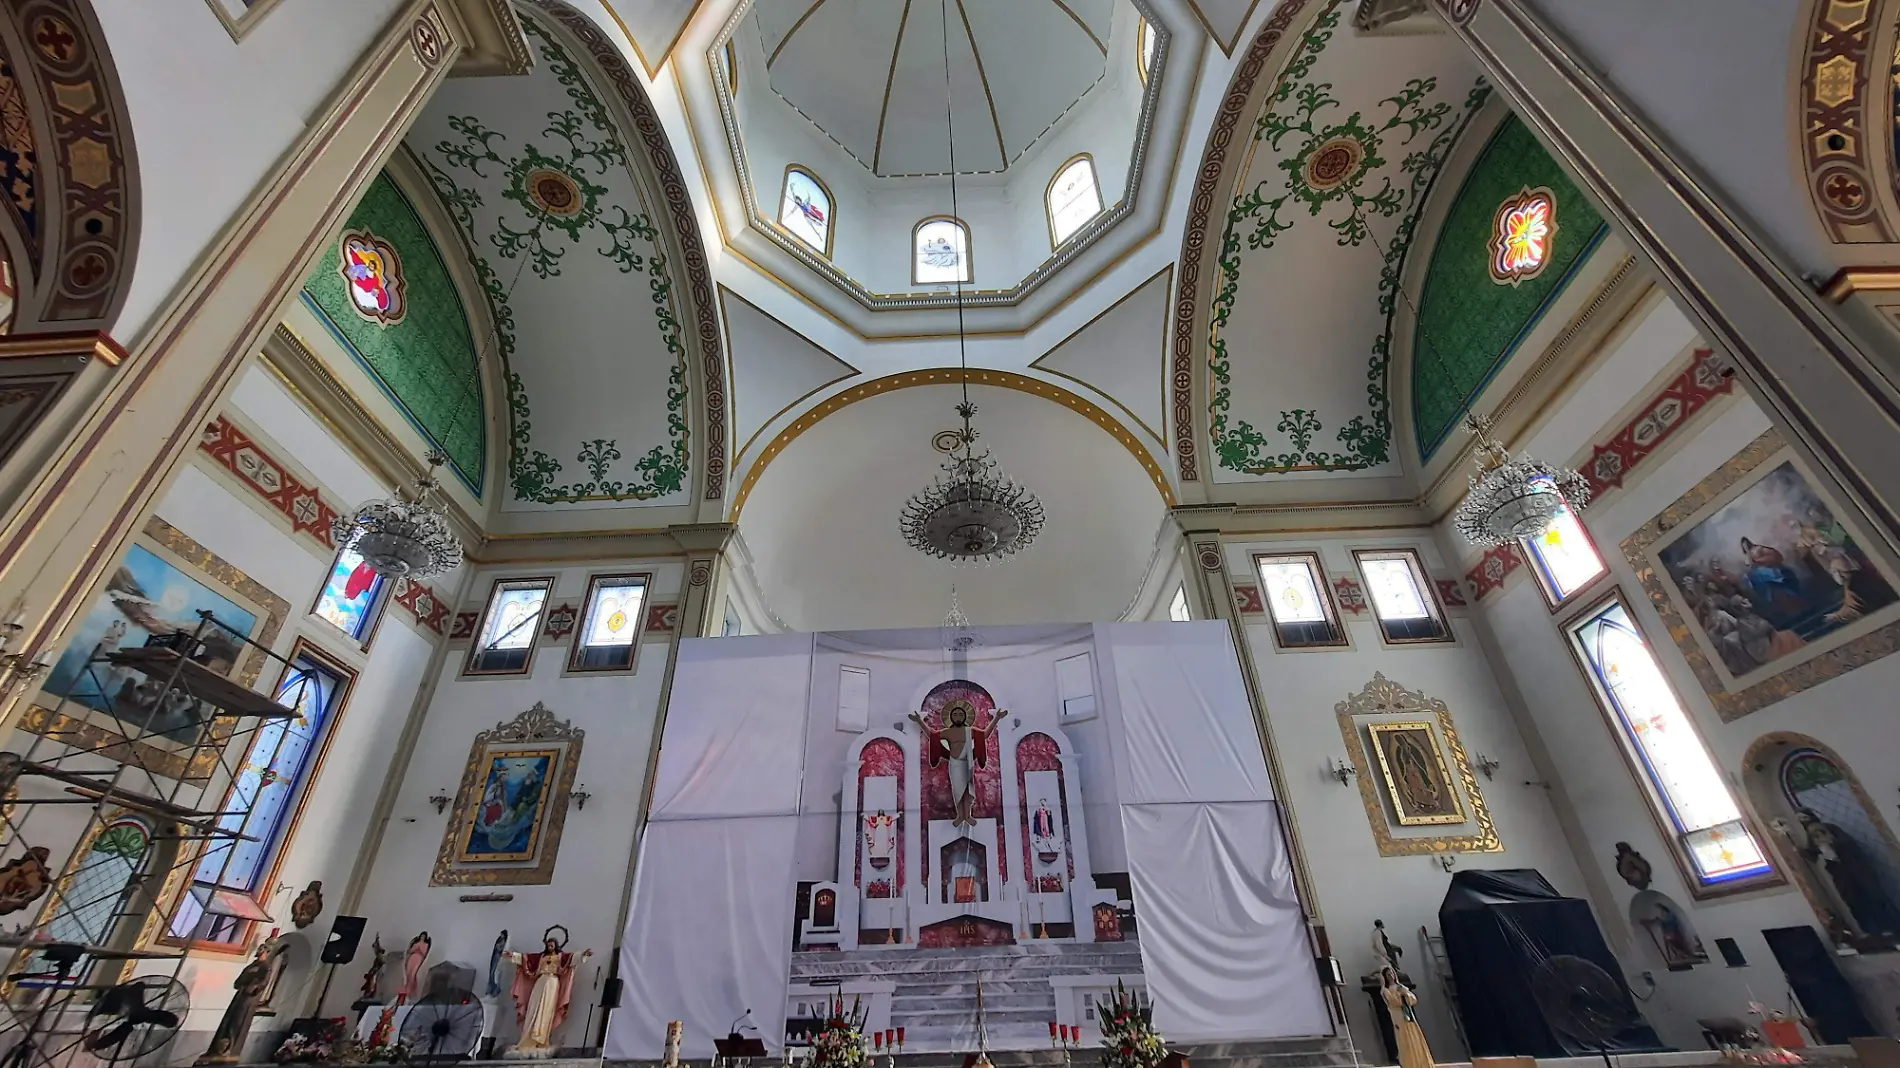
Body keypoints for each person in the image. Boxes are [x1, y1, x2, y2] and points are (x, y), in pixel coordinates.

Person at [505, 927, 592, 1058]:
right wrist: (512, 956)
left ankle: (541, 1039)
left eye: (552, 945)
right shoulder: (541, 957)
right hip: (540, 982)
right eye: (548, 945)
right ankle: (527, 1038)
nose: (550, 947)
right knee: (533, 1009)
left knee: (546, 1011)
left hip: (552, 984)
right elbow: (525, 958)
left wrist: (584, 954)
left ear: (556, 946)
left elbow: (574, 958)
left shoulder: (561, 957)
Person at [1380, 967, 1433, 1068]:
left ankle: (1421, 1062)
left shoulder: (1401, 986)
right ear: (1385, 978)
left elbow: (1413, 1000)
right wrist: (1401, 995)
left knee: (1414, 1036)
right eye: (1388, 975)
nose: (1391, 976)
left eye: (1392, 974)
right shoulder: (1386, 990)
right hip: (1398, 1016)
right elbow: (1394, 1002)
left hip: (1408, 1015)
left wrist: (1406, 994)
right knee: (1403, 1040)